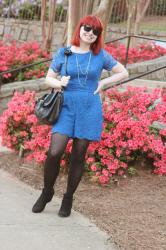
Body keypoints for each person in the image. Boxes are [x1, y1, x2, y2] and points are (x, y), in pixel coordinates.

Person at [32, 15, 129, 217]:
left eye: (95, 31)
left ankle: (68, 198)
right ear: (80, 28)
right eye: (87, 28)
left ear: (98, 35)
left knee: (78, 155)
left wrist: (103, 84)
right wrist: (60, 83)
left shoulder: (100, 55)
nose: (90, 33)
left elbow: (124, 72)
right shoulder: (65, 52)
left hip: (89, 107)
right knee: (55, 151)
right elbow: (48, 78)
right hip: (66, 105)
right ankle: (47, 192)